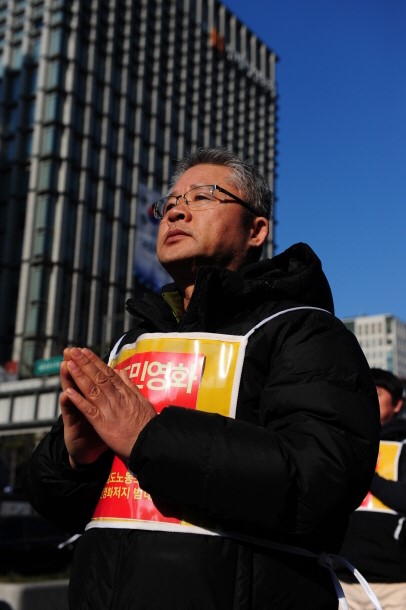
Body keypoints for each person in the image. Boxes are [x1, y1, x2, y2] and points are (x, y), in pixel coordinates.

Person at [23, 147, 380, 609]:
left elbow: (320, 482)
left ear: (256, 230)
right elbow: (62, 510)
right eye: (169, 202)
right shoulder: (130, 344)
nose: (175, 210)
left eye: (204, 196)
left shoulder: (303, 330)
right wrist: (75, 460)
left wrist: (148, 435)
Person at [340, 368, 406, 609]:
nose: (368, 399)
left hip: (395, 583)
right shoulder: (341, 441)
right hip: (343, 576)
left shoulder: (403, 445)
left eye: (376, 393)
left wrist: (367, 475)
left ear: (397, 404)